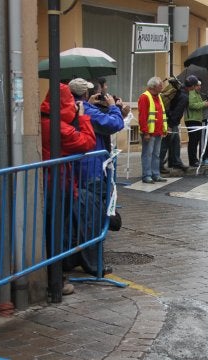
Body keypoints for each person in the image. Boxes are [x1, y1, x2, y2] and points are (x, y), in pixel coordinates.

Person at [41, 83, 97, 295]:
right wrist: (82, 118)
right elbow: (86, 142)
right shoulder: (59, 127)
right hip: (58, 185)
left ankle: (54, 276)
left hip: (49, 184)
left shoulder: (44, 120)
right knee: (56, 232)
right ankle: (55, 279)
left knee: (51, 230)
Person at [68, 77, 125, 276]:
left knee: (78, 217)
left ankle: (74, 258)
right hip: (91, 170)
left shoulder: (71, 108)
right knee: (92, 219)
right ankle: (93, 264)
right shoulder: (86, 110)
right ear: (85, 94)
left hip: (76, 171)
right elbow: (114, 124)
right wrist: (113, 107)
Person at [138, 76, 168, 184]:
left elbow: (161, 114)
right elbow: (142, 117)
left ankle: (155, 174)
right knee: (148, 154)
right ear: (154, 87)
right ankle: (147, 175)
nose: (162, 88)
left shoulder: (158, 97)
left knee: (156, 154)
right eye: (160, 86)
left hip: (157, 131)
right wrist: (146, 132)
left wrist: (164, 128)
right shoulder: (145, 97)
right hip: (150, 133)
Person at [185, 75, 208, 166]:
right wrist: (205, 104)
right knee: (193, 141)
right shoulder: (191, 93)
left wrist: (207, 104)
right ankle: (193, 160)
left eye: (200, 85)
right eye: (198, 85)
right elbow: (192, 105)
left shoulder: (197, 94)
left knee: (196, 140)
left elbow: (199, 105)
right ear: (193, 85)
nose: (199, 87)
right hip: (192, 119)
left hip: (197, 119)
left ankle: (195, 159)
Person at [161, 78, 189, 172]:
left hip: (170, 119)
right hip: (172, 121)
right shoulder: (184, 96)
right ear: (192, 86)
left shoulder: (178, 92)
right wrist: (171, 124)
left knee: (175, 142)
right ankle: (160, 165)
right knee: (166, 143)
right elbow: (177, 111)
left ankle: (174, 162)